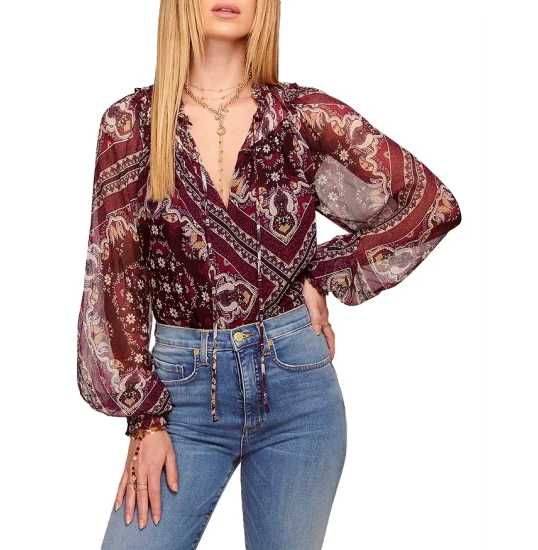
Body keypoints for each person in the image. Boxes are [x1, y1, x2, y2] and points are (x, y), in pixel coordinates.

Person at [77, 1, 461, 548]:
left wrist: (321, 271)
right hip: (182, 399)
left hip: (298, 391)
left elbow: (429, 205)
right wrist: (145, 420)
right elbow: (115, 276)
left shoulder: (300, 118)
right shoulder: (132, 124)